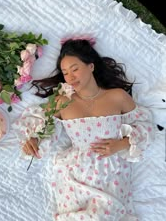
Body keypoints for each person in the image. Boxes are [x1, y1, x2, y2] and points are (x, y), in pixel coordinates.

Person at [15, 38, 155, 220]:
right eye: (65, 73)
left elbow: (146, 126)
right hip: (76, 173)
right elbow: (40, 126)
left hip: (111, 170)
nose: (71, 77)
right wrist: (33, 140)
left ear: (91, 66)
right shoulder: (63, 101)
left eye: (75, 69)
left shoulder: (117, 97)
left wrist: (121, 144)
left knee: (106, 214)